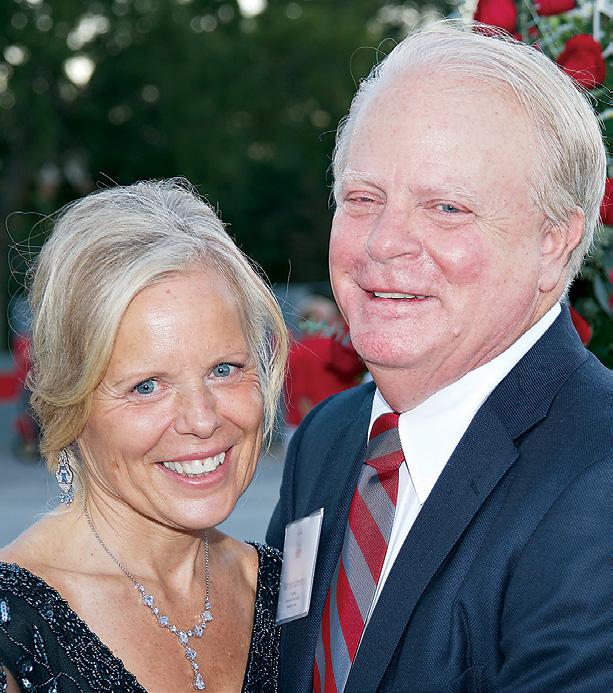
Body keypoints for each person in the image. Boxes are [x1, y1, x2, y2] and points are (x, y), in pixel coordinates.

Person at [267, 21, 612, 693]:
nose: (384, 242)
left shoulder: (598, 481)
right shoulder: (328, 440)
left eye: (446, 207)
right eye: (362, 198)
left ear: (553, 241)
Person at [0, 179, 289, 693]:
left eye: (224, 369)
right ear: (70, 401)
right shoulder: (11, 631)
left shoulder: (291, 596)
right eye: (147, 386)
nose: (202, 419)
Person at [284, 295, 363, 430]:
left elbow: (300, 396)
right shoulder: (340, 348)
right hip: (336, 424)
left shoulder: (295, 350)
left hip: (304, 425)